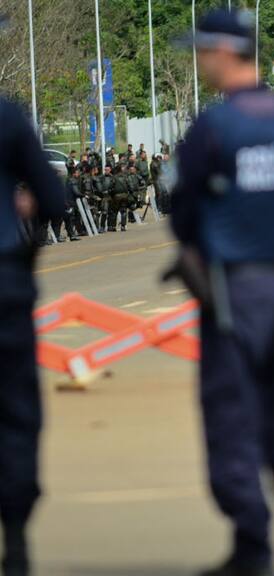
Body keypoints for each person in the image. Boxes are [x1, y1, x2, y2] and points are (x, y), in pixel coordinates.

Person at [171, 10, 274, 576]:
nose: (198, 60)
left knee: (233, 418)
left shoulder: (213, 128)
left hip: (232, 293)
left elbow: (184, 214)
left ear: (226, 51)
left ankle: (253, 545)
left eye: (203, 50)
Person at [0, 21, 66, 571]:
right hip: (4, 286)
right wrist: (25, 261)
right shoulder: (7, 117)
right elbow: (53, 196)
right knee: (16, 413)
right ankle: (16, 536)